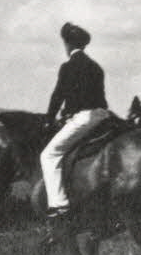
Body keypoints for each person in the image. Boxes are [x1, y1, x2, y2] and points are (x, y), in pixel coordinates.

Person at [39, 23, 110, 222]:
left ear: (68, 44)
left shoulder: (68, 67)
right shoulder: (96, 67)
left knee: (49, 155)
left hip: (83, 117)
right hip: (103, 115)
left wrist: (49, 119)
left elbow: (58, 95)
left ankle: (59, 205)